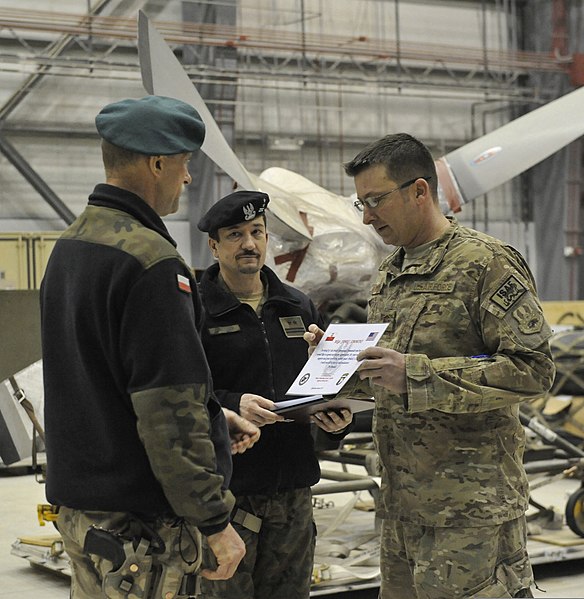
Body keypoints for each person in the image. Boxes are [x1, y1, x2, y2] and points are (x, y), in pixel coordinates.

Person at [304, 133, 556, 598]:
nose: (368, 216)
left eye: (376, 199)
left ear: (420, 190)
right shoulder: (390, 272)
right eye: (360, 203)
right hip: (401, 506)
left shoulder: (486, 263)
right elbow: (391, 376)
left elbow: (533, 369)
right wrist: (337, 371)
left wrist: (418, 374)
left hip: (470, 514)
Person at [40, 95, 260, 599]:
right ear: (157, 163)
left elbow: (98, 379)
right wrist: (213, 522)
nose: (186, 179)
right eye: (184, 164)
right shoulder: (151, 262)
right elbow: (167, 414)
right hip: (143, 531)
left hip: (85, 517)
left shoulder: (71, 247)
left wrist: (211, 417)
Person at [196, 190, 354, 599]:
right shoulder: (195, 310)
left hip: (294, 495)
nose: (249, 243)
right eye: (235, 234)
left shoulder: (297, 305)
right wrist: (234, 404)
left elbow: (320, 387)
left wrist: (334, 421)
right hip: (228, 496)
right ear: (214, 245)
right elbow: (180, 394)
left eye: (257, 232)